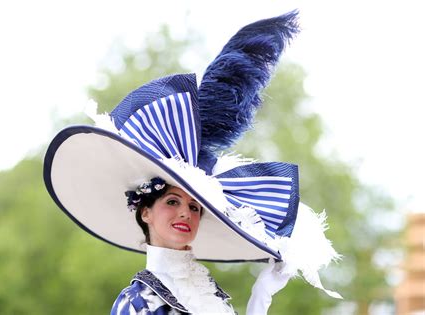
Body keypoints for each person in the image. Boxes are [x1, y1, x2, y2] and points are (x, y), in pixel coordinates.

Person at [43, 10, 341, 315]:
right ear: (145, 212)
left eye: (195, 206)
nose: (186, 212)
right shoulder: (136, 302)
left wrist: (261, 296)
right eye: (172, 201)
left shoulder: (210, 296)